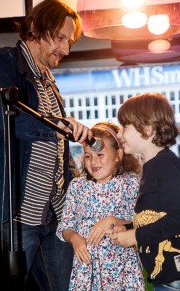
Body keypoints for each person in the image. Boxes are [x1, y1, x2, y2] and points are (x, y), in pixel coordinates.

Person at [0, 0, 92, 291]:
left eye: (69, 41)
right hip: (19, 216)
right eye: (59, 38)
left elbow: (58, 148)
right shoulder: (5, 62)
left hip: (55, 213)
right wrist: (53, 126)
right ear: (34, 28)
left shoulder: (49, 81)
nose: (66, 49)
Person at [56, 121, 146, 290]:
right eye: (88, 156)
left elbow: (140, 221)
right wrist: (75, 239)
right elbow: (66, 226)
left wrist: (113, 220)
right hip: (86, 268)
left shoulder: (131, 183)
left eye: (100, 155)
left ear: (118, 154)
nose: (93, 161)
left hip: (122, 268)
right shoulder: (77, 186)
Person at [110, 93, 180, 291]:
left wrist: (136, 236)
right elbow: (158, 216)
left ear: (148, 128)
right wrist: (129, 228)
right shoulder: (152, 167)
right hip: (165, 278)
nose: (119, 135)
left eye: (125, 127)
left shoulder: (165, 165)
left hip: (175, 280)